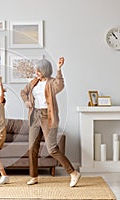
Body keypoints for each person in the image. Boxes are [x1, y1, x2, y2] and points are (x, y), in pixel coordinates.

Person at [20, 57, 81, 187]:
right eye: (36, 70)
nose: (36, 72)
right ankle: (34, 176)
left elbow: (61, 84)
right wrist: (27, 101)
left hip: (48, 116)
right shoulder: (33, 82)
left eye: (39, 70)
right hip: (35, 115)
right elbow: (23, 92)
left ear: (45, 71)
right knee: (32, 148)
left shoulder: (52, 83)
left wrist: (59, 69)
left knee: (52, 148)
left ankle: (73, 173)